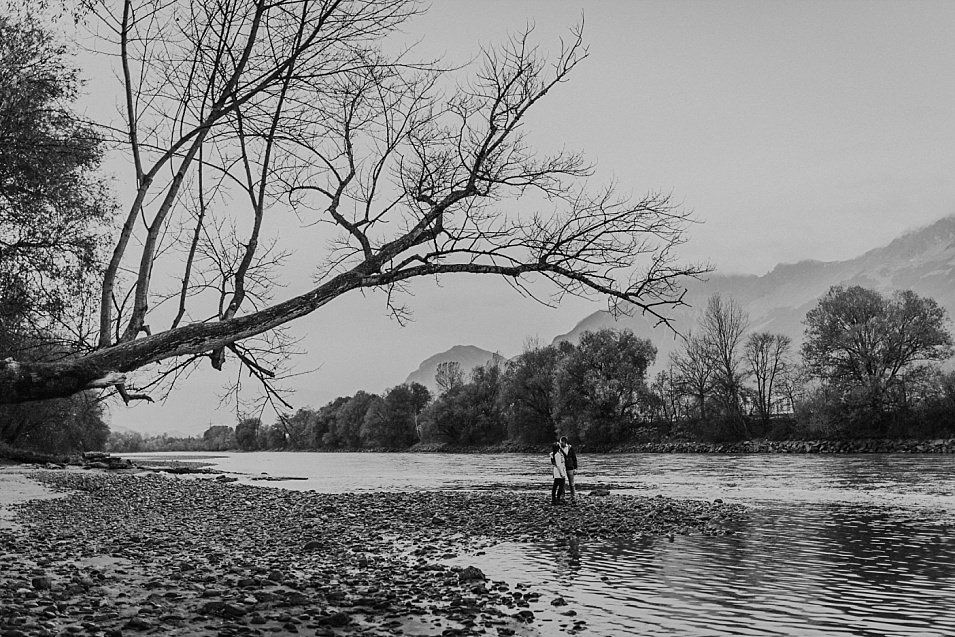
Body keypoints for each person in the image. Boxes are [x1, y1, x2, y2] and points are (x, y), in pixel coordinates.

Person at [560, 436, 578, 505]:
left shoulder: (570, 448)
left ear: (565, 442)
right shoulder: (559, 449)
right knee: (562, 484)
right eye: (560, 443)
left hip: (570, 468)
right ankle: (562, 497)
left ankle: (573, 497)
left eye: (562, 443)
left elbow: (574, 458)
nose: (561, 444)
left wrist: (575, 468)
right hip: (563, 468)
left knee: (572, 484)